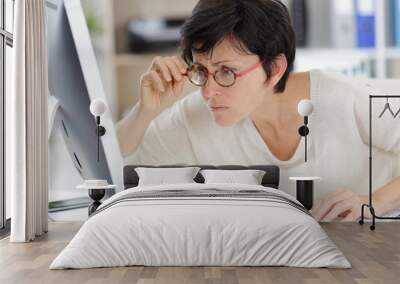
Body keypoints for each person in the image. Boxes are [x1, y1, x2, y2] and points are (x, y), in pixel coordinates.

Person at [116, 0, 400, 222]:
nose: (208, 91)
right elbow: (116, 170)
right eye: (202, 71)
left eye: (227, 71)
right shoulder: (196, 115)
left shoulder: (344, 98)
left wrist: (374, 201)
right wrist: (145, 111)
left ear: (274, 69)